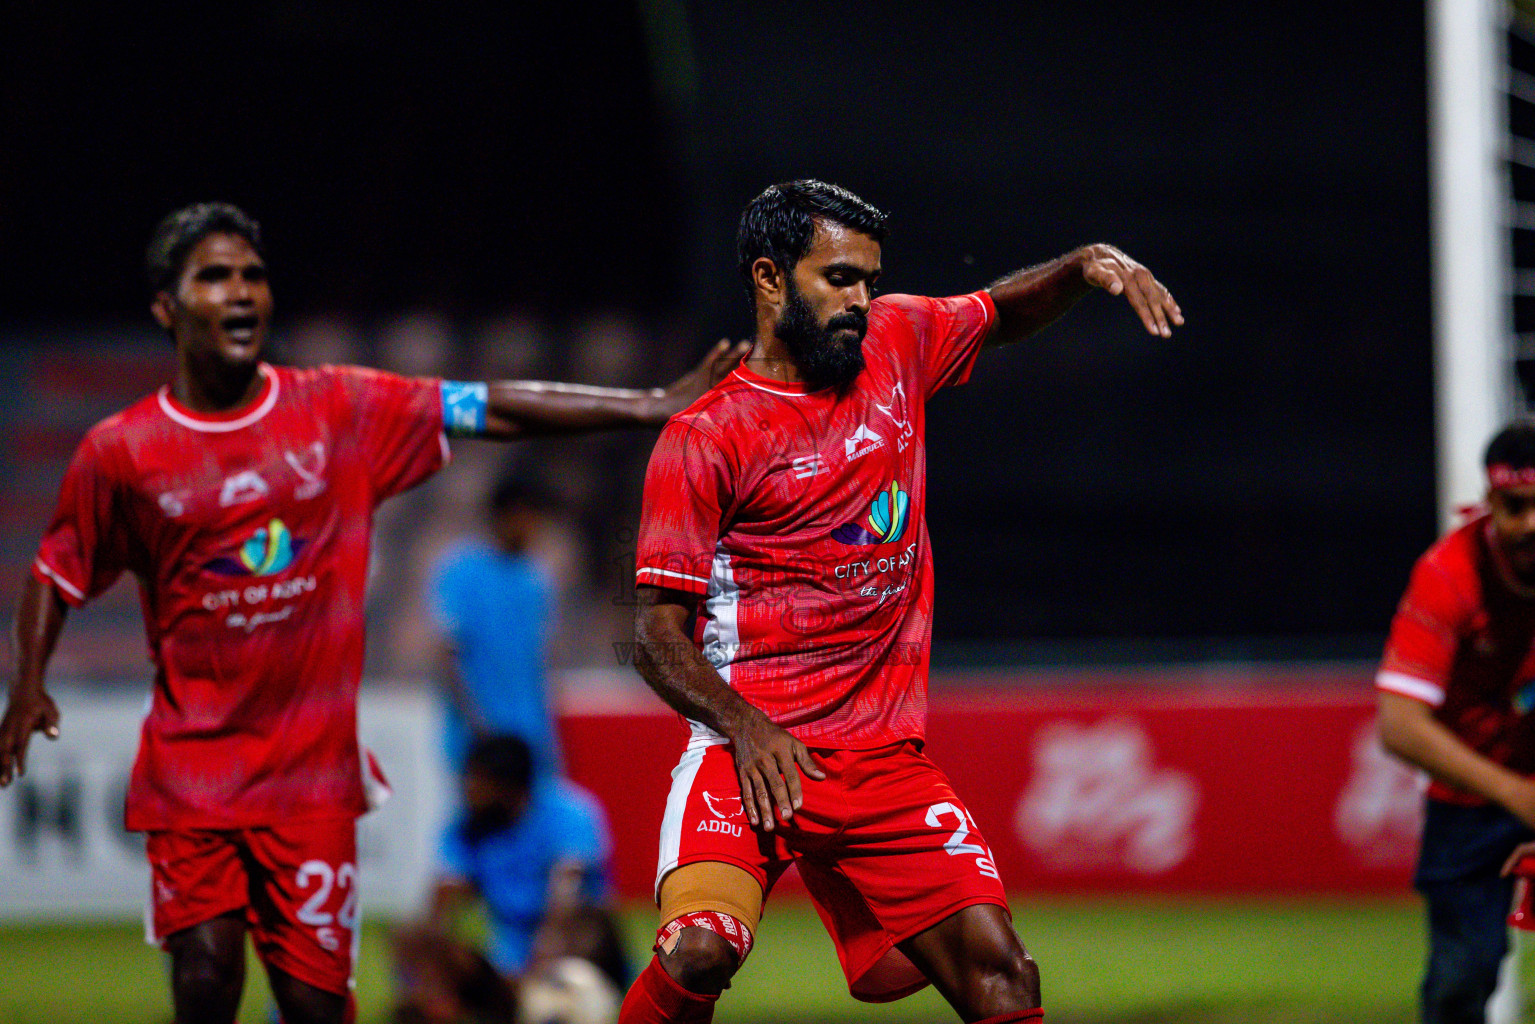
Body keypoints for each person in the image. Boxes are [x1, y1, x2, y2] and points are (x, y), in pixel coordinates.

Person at [0, 201, 746, 1024]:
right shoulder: (122, 451)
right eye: (215, 276)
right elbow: (55, 571)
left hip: (311, 781)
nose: (242, 292)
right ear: (166, 308)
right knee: (205, 979)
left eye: (253, 274)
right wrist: (27, 683)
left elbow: (487, 406)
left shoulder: (337, 408)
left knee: (316, 1005)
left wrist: (644, 406)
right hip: (192, 776)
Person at [620, 180, 1183, 1024]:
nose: (860, 300)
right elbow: (656, 634)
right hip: (750, 753)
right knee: (699, 951)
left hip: (880, 756)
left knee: (1003, 975)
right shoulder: (705, 437)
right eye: (838, 278)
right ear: (770, 279)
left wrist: (1080, 266)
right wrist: (745, 726)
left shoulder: (897, 340)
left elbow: (999, 313)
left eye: (868, 280)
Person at [1376, 419, 1535, 1024]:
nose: (1530, 525)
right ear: (1489, 501)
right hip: (1473, 801)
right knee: (1459, 982)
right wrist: (1515, 794)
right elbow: (1399, 725)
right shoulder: (1449, 574)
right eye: (1515, 507)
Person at [391, 734, 624, 1024]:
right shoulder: (467, 827)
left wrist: (538, 962)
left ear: (508, 787)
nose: (467, 790)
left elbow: (566, 892)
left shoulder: (568, 812)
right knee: (413, 934)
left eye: (477, 782)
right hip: (510, 957)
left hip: (578, 951)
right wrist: (429, 962)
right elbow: (444, 897)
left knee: (585, 923)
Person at [430, 474, 562, 782]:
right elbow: (447, 655)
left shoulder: (536, 581)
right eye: (529, 516)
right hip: (478, 738)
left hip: (530, 735)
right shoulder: (462, 571)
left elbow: (537, 665)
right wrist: (477, 727)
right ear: (506, 515)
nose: (534, 527)